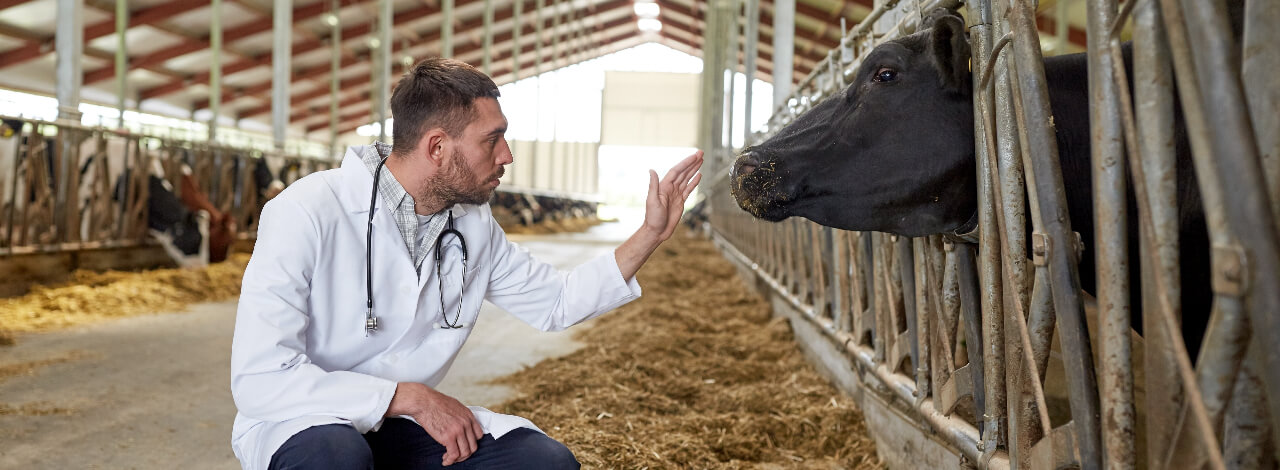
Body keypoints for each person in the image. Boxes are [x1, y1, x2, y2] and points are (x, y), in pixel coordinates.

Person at [229, 57, 703, 470]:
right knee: (337, 456)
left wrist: (651, 233)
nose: (507, 156)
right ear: (437, 147)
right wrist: (409, 396)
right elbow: (261, 378)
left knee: (544, 462)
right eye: (492, 140)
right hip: (307, 419)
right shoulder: (306, 210)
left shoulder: (473, 224)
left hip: (403, 425)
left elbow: (558, 302)